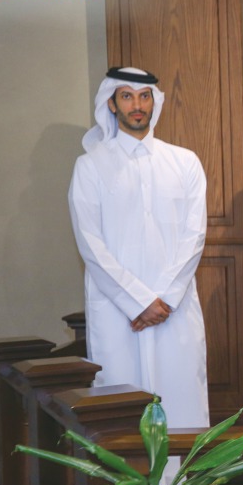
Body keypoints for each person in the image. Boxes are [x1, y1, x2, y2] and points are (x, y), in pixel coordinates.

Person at [68, 66, 209, 429]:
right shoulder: (90, 166)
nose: (137, 105)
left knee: (182, 400)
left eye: (144, 96)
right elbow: (90, 244)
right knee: (122, 406)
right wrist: (138, 302)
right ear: (112, 104)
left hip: (172, 309)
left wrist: (164, 299)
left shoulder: (184, 161)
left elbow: (194, 236)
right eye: (127, 96)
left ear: (154, 102)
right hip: (119, 313)